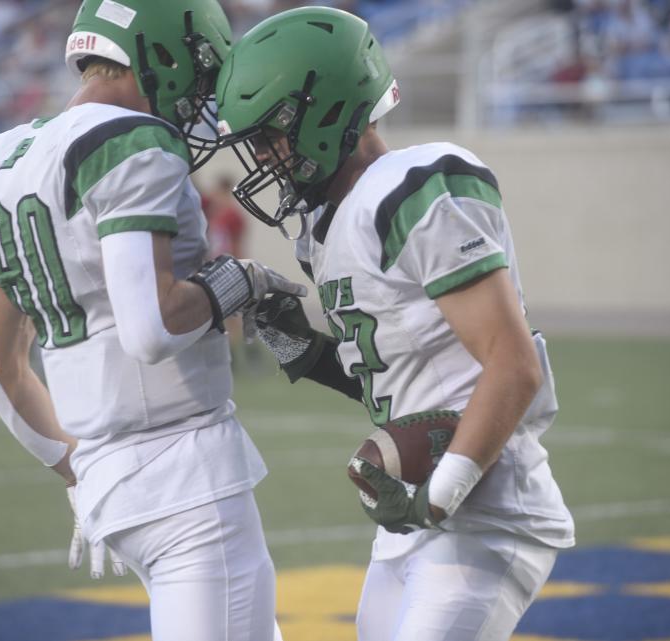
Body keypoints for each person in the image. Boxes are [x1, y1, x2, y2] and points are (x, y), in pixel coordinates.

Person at [214, 7, 575, 641]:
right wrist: (306, 348)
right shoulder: (327, 226)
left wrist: (441, 495)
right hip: (416, 520)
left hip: (485, 507)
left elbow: (512, 365)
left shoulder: (414, 189)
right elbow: (402, 384)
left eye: (272, 133)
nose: (263, 156)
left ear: (326, 111)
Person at [0, 1, 304, 639]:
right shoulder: (130, 142)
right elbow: (152, 329)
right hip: (187, 480)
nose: (201, 96)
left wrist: (79, 469)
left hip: (110, 484)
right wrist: (240, 280)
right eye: (199, 72)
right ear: (162, 54)